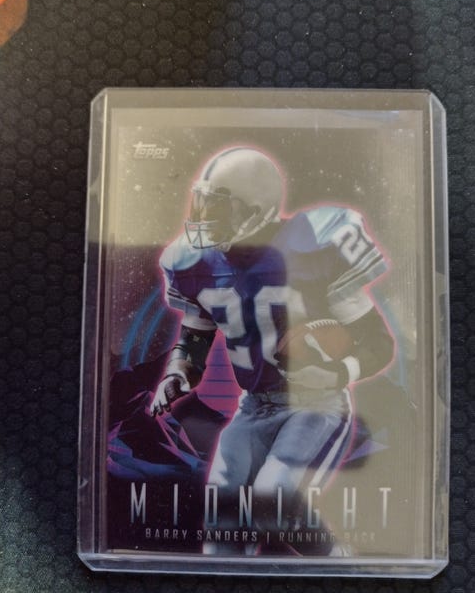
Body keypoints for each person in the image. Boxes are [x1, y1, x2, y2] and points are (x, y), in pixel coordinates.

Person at [150, 147, 394, 552]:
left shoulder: (314, 246)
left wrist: (336, 373)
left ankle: (340, 565)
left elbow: (377, 342)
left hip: (315, 404)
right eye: (204, 204)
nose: (207, 218)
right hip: (253, 407)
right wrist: (178, 373)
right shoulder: (195, 262)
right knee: (222, 518)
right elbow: (195, 338)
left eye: (220, 208)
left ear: (257, 211)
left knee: (273, 500)